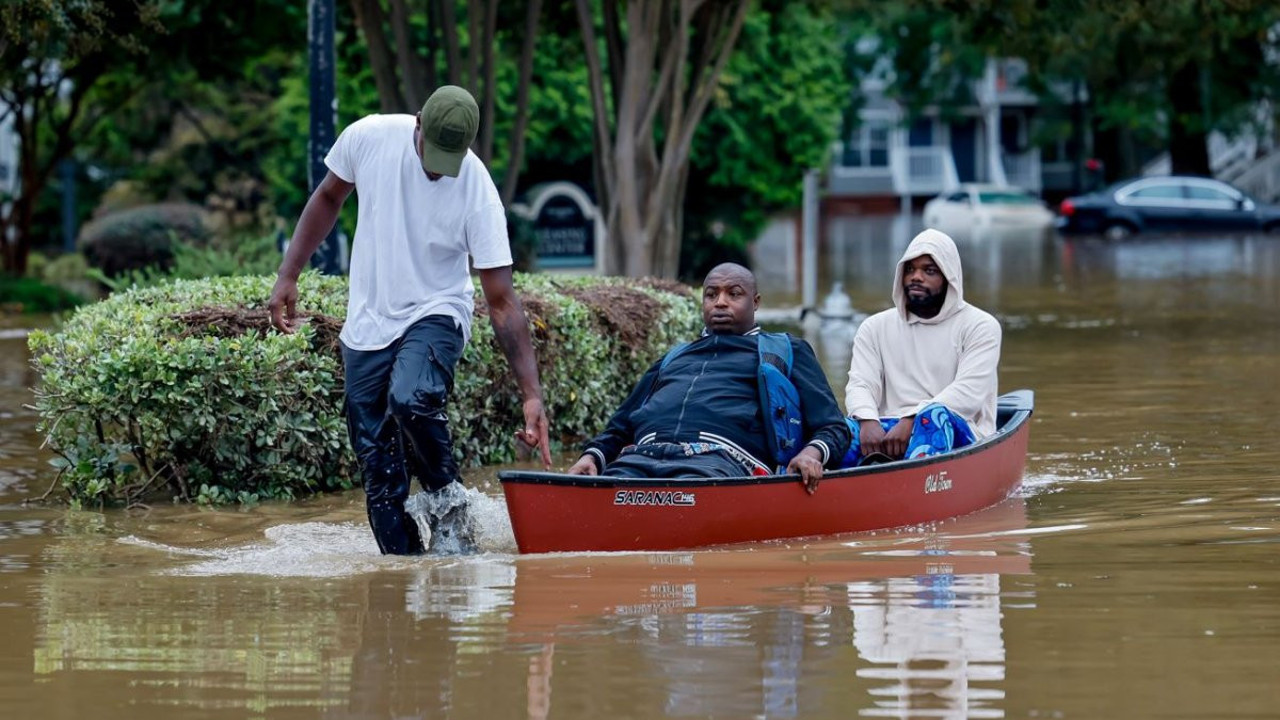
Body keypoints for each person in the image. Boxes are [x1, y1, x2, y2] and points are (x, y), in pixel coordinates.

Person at [268, 85, 551, 556]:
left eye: (449, 159)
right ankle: (404, 579)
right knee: (379, 477)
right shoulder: (369, 137)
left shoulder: (478, 190)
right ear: (417, 123)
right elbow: (328, 197)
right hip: (367, 324)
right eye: (431, 153)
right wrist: (288, 273)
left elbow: (501, 300)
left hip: (437, 310)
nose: (437, 169)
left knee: (410, 397)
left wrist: (531, 395)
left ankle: (451, 512)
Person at [565, 263, 850, 494]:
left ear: (755, 302)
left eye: (734, 294)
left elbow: (833, 427)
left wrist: (811, 455)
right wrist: (591, 457)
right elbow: (619, 428)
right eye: (711, 295)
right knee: (605, 493)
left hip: (720, 466)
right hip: (639, 460)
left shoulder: (785, 350)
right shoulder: (673, 357)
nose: (720, 303)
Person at [843, 228, 1001, 466]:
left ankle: (913, 483)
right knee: (838, 429)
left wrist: (912, 419)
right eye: (910, 269)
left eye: (929, 270)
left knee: (932, 416)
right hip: (888, 429)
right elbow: (860, 384)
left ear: (949, 278)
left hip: (959, 430)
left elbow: (968, 394)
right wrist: (867, 420)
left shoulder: (980, 326)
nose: (916, 277)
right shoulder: (874, 327)